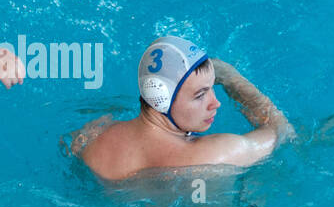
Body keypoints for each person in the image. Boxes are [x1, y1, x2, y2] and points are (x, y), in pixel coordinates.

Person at [71, 35, 295, 182]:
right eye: (200, 95)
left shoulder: (92, 134)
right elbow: (282, 131)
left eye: (212, 88)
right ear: (161, 100)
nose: (215, 103)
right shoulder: (220, 152)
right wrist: (231, 79)